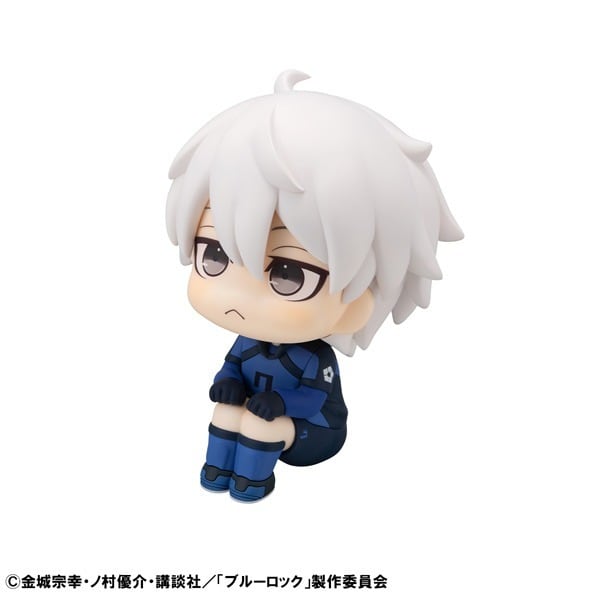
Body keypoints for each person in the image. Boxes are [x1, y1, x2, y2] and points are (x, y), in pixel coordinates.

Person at [166, 70, 463, 501]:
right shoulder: (247, 343)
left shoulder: (313, 357)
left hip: (314, 431)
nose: (238, 296)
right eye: (213, 254)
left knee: (259, 424)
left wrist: (280, 406)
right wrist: (227, 382)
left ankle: (251, 480)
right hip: (260, 412)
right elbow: (233, 367)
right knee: (227, 413)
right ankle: (218, 470)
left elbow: (314, 399)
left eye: (289, 273)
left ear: (358, 302)